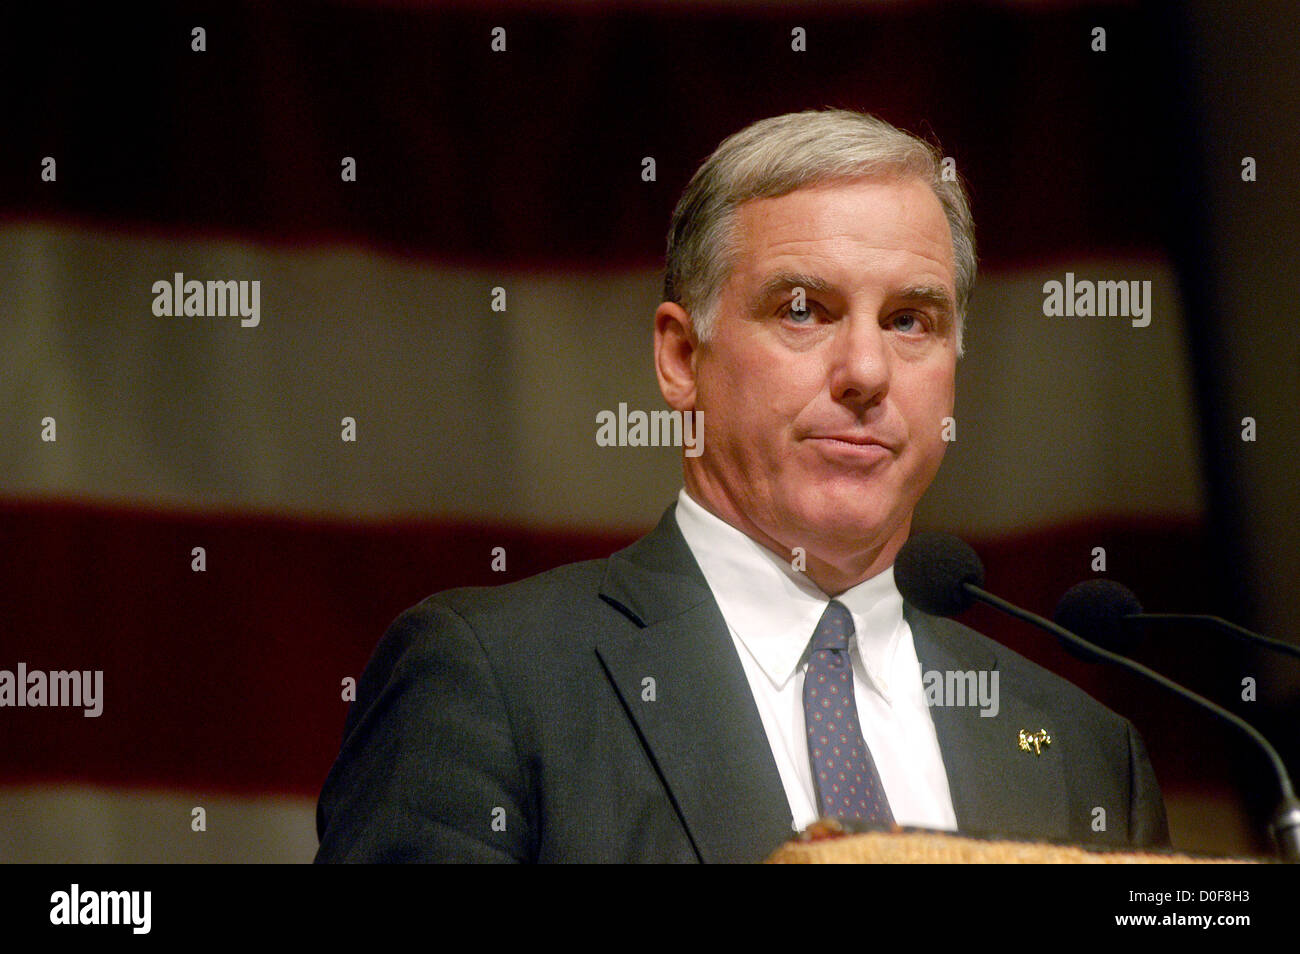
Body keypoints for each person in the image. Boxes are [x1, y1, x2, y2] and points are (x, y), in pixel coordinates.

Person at [315, 109, 1170, 863]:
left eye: (910, 320)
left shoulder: (1084, 754)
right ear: (682, 358)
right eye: (803, 309)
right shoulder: (492, 683)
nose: (866, 371)